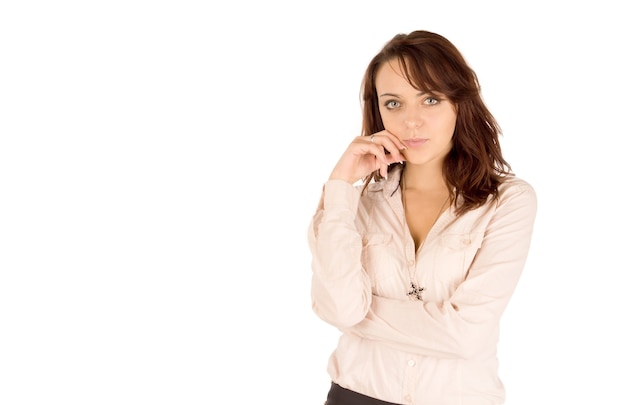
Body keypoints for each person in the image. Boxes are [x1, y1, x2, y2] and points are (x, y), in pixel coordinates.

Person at [307, 30, 537, 405]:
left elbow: (466, 335)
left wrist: (361, 315)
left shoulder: (507, 202)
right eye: (394, 103)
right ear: (377, 110)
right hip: (355, 396)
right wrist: (340, 182)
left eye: (430, 99)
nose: (411, 121)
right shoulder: (352, 203)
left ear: (460, 104)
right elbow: (338, 308)